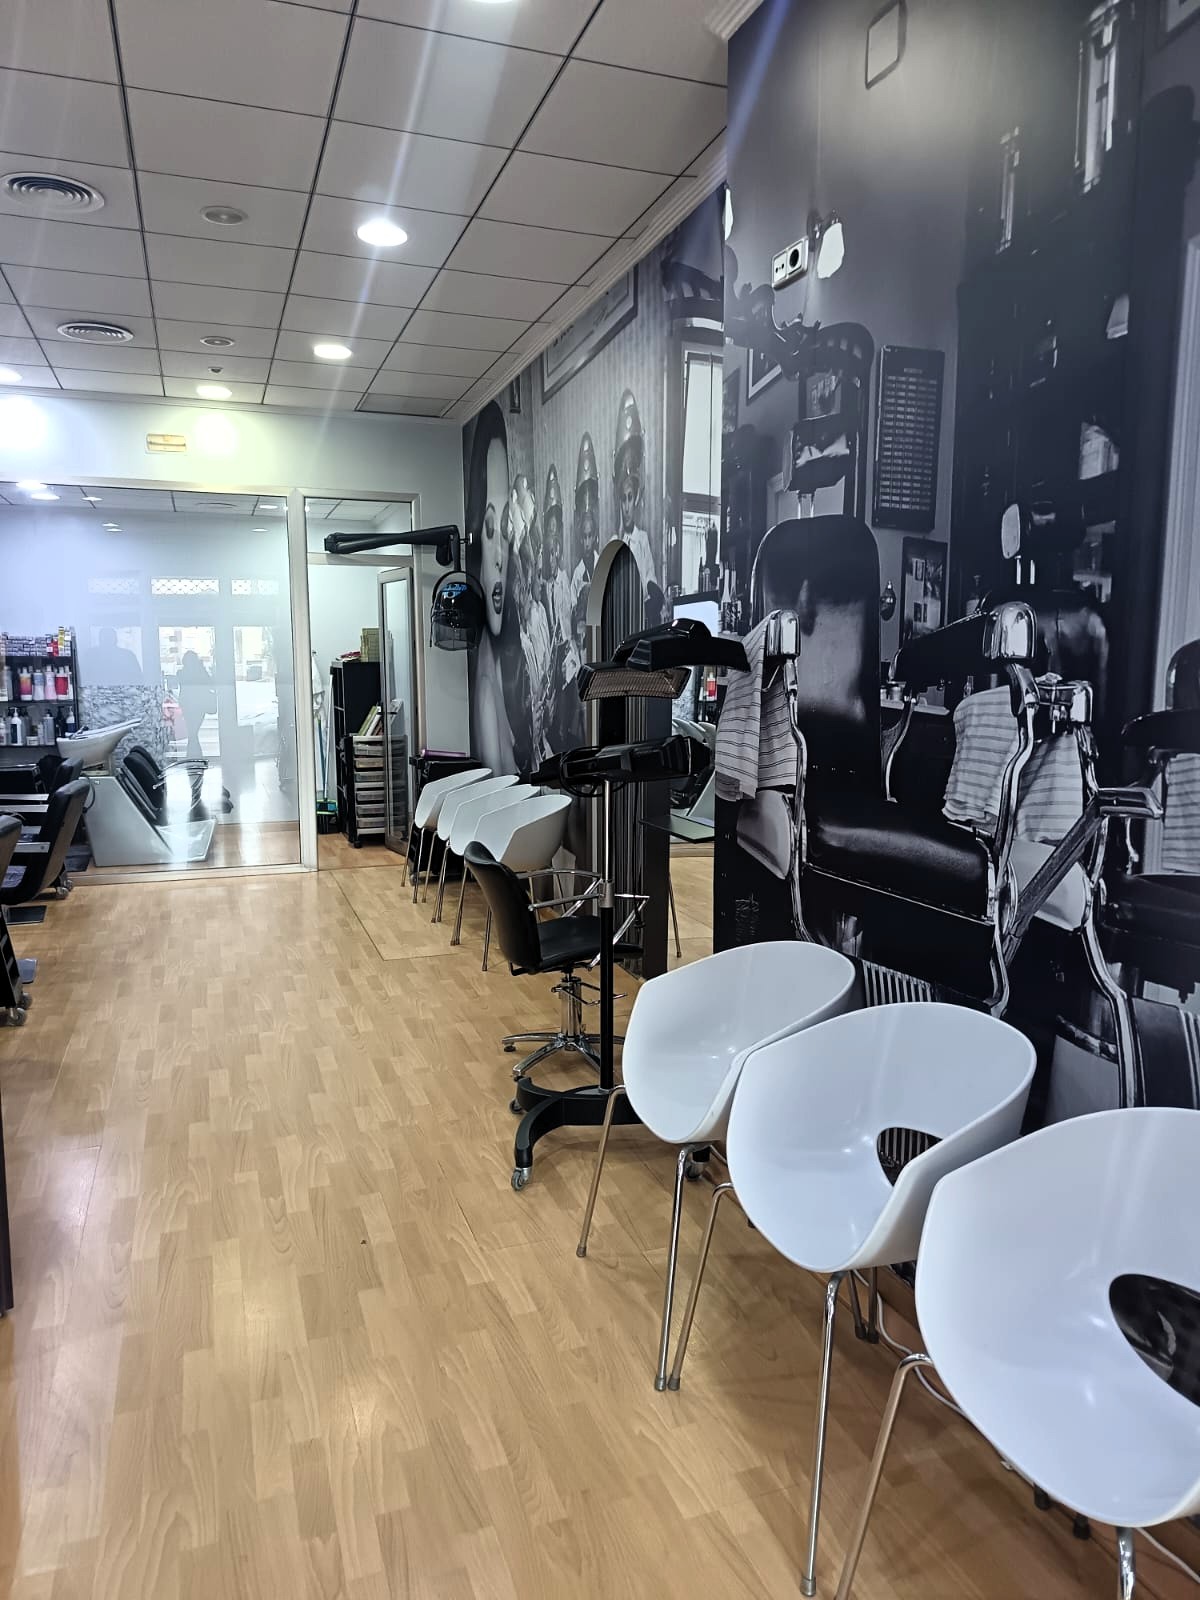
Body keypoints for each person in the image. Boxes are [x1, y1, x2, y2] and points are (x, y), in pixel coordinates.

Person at [465, 403, 518, 775]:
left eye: (506, 528)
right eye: (488, 529)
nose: (500, 555)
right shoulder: (485, 690)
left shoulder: (497, 671)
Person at [613, 388, 659, 599]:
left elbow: (650, 578)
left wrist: (651, 592)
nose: (626, 507)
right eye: (623, 499)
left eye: (629, 498)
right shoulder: (614, 542)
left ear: (636, 499)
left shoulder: (642, 540)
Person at [571, 431, 601, 648]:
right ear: (580, 539)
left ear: (595, 536)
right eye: (584, 537)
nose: (588, 542)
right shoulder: (576, 575)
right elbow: (574, 618)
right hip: (583, 643)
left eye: (590, 536)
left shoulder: (604, 565)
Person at [175, 650, 216, 762]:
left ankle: (193, 758)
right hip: (200, 705)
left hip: (187, 705)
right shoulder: (201, 672)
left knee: (192, 732)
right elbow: (210, 684)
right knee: (193, 733)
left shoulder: (181, 673)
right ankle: (195, 758)